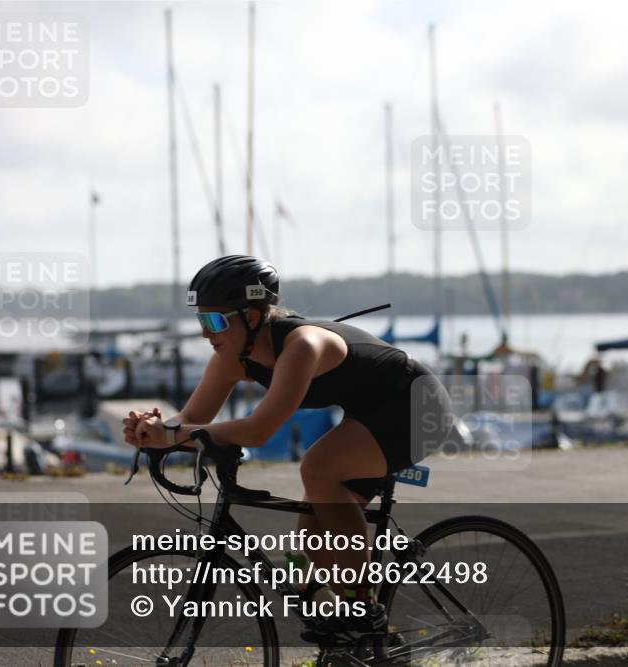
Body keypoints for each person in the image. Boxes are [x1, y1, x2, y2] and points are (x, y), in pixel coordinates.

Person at [122, 255, 453, 643]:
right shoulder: (233, 357)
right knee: (303, 565)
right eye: (200, 321)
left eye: (214, 321)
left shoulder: (302, 345)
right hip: (370, 413)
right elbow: (191, 417)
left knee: (318, 467)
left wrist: (181, 435)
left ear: (252, 316)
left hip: (417, 405)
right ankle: (355, 644)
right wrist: (152, 430)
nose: (205, 333)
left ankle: (364, 610)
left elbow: (259, 430)